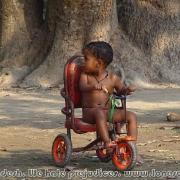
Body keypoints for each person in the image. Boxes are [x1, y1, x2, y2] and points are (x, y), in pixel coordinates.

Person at [79, 41, 143, 163]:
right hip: (90, 113)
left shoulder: (113, 78)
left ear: (98, 63)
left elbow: (121, 90)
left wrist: (127, 89)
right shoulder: (85, 76)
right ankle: (108, 144)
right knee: (99, 113)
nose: (83, 61)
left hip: (108, 112)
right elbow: (82, 86)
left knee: (131, 116)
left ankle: (131, 148)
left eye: (86, 59)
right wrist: (92, 87)